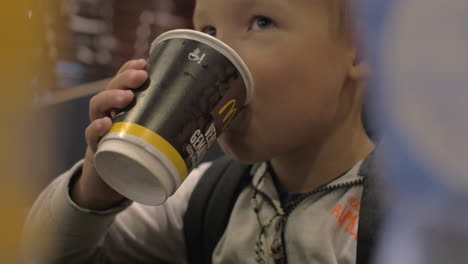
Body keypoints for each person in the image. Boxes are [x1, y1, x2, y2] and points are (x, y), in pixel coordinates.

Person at [22, 0, 377, 263]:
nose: (219, 54)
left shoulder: (405, 222)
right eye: (208, 32)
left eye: (262, 22)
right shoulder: (205, 198)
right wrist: (97, 188)